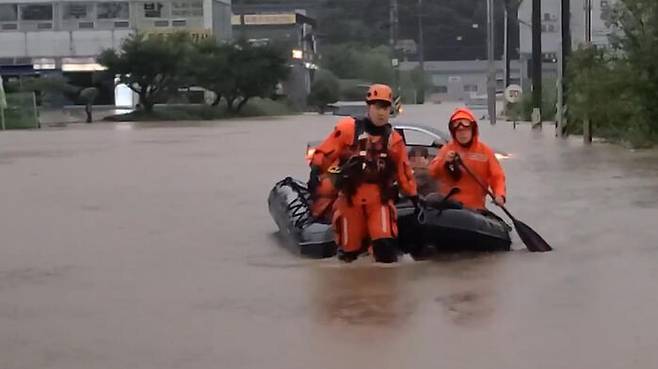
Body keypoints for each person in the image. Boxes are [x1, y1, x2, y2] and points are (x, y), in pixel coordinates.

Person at [307, 84, 419, 263]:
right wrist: (316, 171)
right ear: (369, 107)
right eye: (377, 107)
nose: (381, 112)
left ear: (390, 109)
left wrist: (413, 196)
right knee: (349, 252)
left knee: (385, 249)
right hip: (351, 198)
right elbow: (326, 152)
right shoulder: (348, 130)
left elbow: (403, 172)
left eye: (385, 107)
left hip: (379, 199)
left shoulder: (394, 141)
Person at [428, 107, 506, 210]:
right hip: (450, 209)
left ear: (473, 130)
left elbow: (497, 176)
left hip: (476, 209)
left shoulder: (485, 151)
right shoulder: (446, 150)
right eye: (459, 131)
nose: (462, 134)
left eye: (466, 130)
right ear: (453, 132)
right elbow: (432, 173)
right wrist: (444, 162)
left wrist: (500, 195)